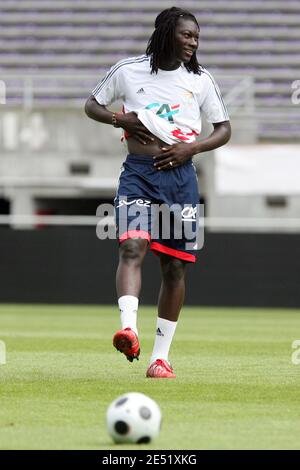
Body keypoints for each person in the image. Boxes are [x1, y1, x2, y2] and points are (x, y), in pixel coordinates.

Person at [85, 6, 231, 378]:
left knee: (175, 267)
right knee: (131, 246)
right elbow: (92, 105)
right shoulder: (128, 71)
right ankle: (129, 329)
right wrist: (120, 118)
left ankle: (160, 358)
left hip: (182, 178)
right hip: (138, 174)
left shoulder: (199, 80)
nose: (193, 42)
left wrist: (191, 148)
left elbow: (224, 128)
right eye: (187, 35)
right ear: (167, 32)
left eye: (196, 36)